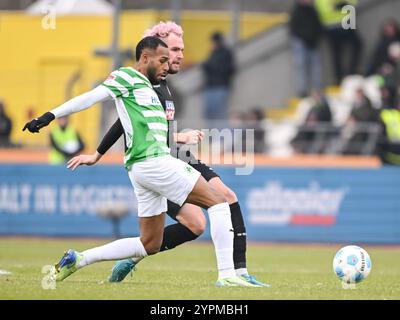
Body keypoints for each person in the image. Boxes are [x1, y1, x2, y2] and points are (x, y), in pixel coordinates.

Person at [23, 36, 257, 287]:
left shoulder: (149, 88)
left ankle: (79, 259)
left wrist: (178, 136)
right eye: (163, 60)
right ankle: (227, 276)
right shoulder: (126, 77)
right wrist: (50, 115)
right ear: (145, 58)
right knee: (219, 201)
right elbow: (91, 97)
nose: (167, 66)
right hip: (155, 163)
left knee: (149, 243)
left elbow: (138, 127)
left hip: (140, 170)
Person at [315, 0, 362, 84]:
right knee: (337, 54)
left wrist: (344, 5)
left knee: (357, 45)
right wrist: (341, 6)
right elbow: (323, 10)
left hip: (345, 21)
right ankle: (340, 78)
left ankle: (351, 73)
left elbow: (352, 2)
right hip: (332, 26)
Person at [289, 0, 323, 97]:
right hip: (301, 43)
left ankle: (317, 89)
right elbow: (294, 29)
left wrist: (315, 38)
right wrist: (305, 38)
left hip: (313, 42)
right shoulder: (296, 11)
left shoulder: (312, 10)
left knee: (316, 67)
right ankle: (302, 91)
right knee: (301, 66)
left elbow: (318, 25)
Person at [202, 31, 235, 126]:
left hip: (219, 87)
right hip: (212, 87)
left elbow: (221, 68)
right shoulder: (215, 52)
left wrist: (206, 65)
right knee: (210, 114)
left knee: (218, 115)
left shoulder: (224, 53)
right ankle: (212, 136)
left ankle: (218, 137)